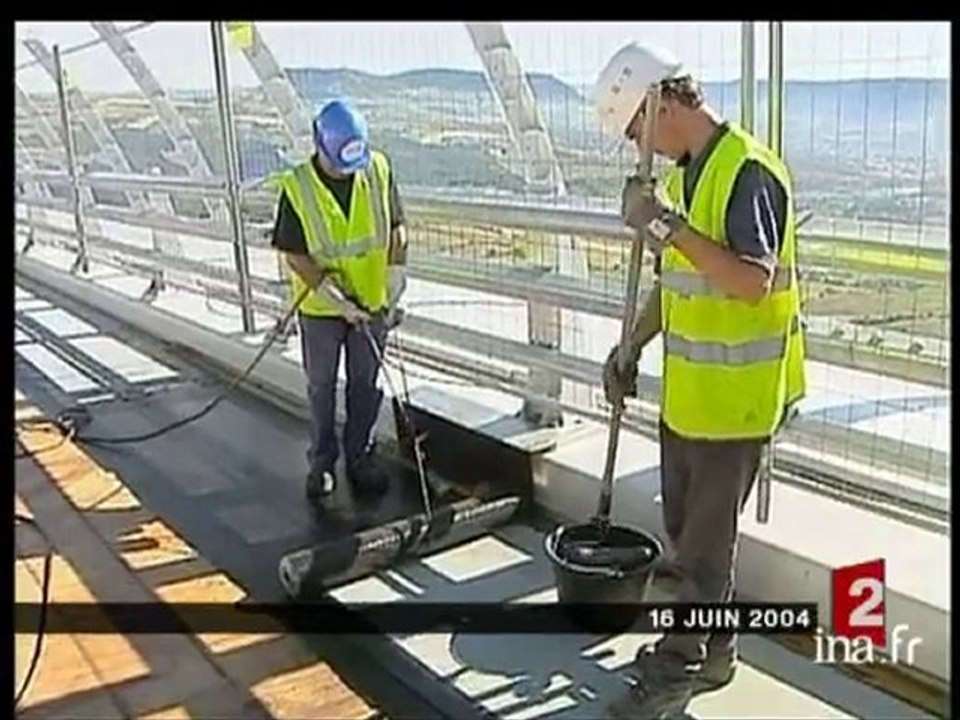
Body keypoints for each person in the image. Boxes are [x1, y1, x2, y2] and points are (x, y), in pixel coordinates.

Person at [593, 43, 807, 718]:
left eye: (636, 130)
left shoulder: (748, 172)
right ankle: (715, 650)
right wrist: (631, 345)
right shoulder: (687, 179)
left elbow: (750, 280)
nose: (641, 148)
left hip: (735, 408)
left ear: (663, 102)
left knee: (700, 559)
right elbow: (678, 285)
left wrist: (664, 225)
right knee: (694, 541)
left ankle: (674, 674)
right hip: (690, 400)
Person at [270, 99, 408, 515]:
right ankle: (323, 462)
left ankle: (360, 457)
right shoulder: (297, 187)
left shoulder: (378, 170)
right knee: (321, 386)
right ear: (319, 146)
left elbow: (397, 228)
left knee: (365, 385)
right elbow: (295, 254)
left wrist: (395, 274)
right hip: (322, 309)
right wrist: (333, 297)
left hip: (372, 302)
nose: (349, 171)